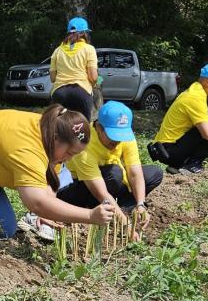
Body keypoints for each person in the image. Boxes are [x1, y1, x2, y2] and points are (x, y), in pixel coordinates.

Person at [0, 105, 115, 242]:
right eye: (69, 153)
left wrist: (46, 213)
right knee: (3, 229)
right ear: (55, 139)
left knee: (13, 220)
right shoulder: (27, 147)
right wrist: (90, 216)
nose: (69, 159)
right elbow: (37, 202)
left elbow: (50, 180)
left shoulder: (51, 127)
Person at [56, 101, 161, 239]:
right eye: (113, 136)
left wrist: (141, 204)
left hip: (109, 180)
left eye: (121, 136)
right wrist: (126, 226)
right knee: (114, 174)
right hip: (78, 189)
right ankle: (100, 209)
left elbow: (135, 173)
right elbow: (101, 192)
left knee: (155, 173)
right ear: (99, 127)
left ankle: (119, 207)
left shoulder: (125, 137)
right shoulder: (84, 143)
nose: (117, 141)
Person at [49, 17, 100, 119]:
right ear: (83, 33)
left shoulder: (57, 50)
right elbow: (94, 78)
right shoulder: (89, 49)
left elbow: (53, 78)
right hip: (81, 93)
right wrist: (97, 84)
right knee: (82, 128)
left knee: (57, 127)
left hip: (60, 93)